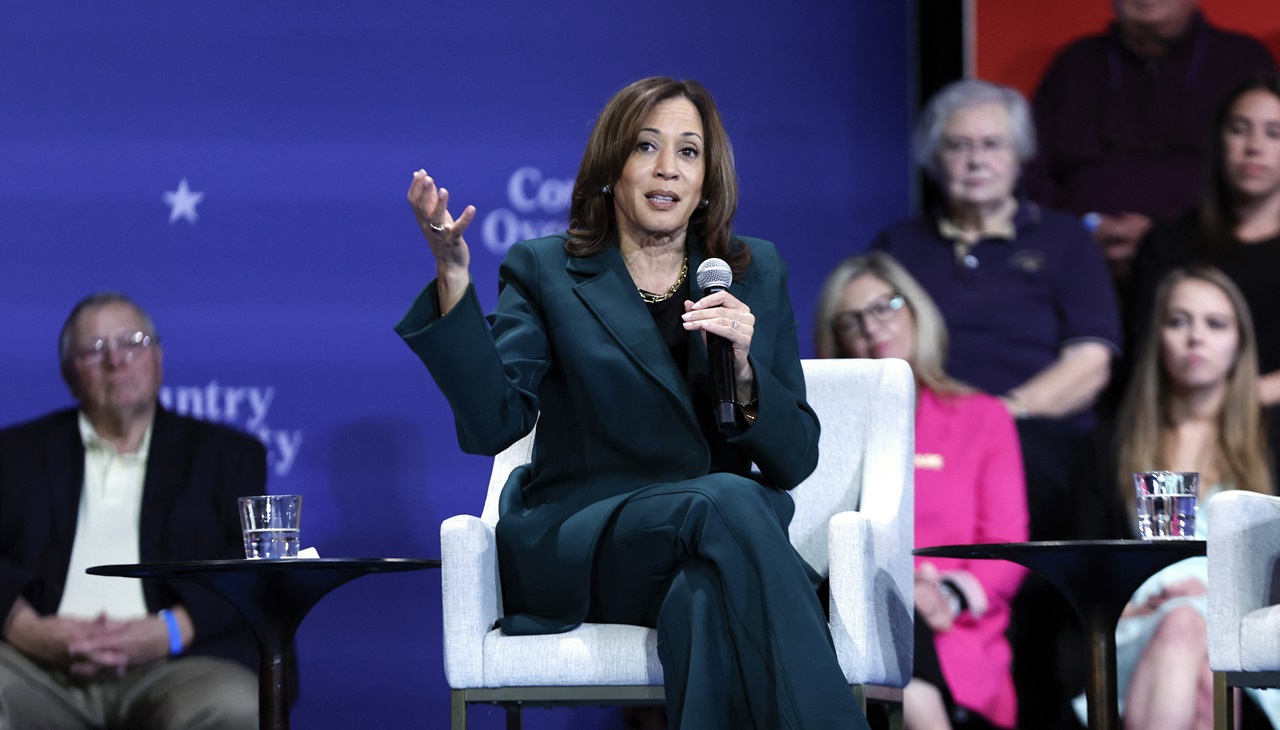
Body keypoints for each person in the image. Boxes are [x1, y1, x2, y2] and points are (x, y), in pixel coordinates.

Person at [394, 77, 868, 729]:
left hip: (711, 545)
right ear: (611, 167)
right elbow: (494, 422)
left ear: (708, 180)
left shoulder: (753, 271)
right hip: (585, 540)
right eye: (647, 147)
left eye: (689, 151)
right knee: (731, 498)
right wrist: (453, 279)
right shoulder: (546, 270)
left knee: (703, 601)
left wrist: (745, 371)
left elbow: (794, 460)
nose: (668, 168)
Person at [0, 292, 263, 730]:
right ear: (69, 375)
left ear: (158, 358)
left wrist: (168, 631)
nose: (116, 361)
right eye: (95, 349)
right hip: (36, 669)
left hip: (176, 666)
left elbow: (249, 567)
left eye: (132, 342)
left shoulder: (226, 456)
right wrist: (23, 628)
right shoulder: (13, 455)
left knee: (233, 705)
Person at [815, 251, 1028, 730]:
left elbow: (1006, 545)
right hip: (855, 623)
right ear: (837, 340)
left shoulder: (983, 417)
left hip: (955, 630)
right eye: (852, 321)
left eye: (885, 306)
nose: (873, 328)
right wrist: (899, 589)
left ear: (914, 309)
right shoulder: (828, 429)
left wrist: (948, 594)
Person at [1071, 265, 1279, 729]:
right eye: (1179, 321)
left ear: (1239, 344)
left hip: (1243, 623)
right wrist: (1131, 601)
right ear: (1157, 335)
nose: (1195, 338)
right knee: (1189, 645)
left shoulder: (1272, 443)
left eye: (1215, 324)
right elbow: (1085, 561)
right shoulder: (1107, 446)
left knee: (1192, 636)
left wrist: (1219, 598)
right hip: (1139, 619)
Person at [1024, 0, 1276, 275]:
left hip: (1207, 265)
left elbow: (1263, 183)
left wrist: (1168, 235)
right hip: (1080, 262)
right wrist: (1086, 226)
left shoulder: (1241, 61)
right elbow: (1030, 173)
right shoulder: (1075, 63)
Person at [1129, 72, 1280, 459]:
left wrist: (1243, 398)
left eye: (1273, 132)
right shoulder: (1169, 243)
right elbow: (1145, 350)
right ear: (1218, 141)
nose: (1254, 147)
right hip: (1176, 420)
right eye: (1239, 129)